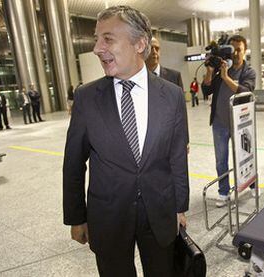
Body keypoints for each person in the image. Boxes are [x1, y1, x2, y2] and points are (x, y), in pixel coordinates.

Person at [63, 5, 189, 277]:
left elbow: (177, 157)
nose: (97, 48)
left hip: (159, 212)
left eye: (107, 39)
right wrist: (76, 217)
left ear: (139, 43)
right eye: (97, 39)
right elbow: (73, 163)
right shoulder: (86, 98)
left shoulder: (173, 96)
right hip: (108, 216)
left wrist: (180, 207)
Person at [203, 34, 256, 207]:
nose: (235, 54)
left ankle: (252, 184)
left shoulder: (249, 71)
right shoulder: (221, 68)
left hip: (241, 122)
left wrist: (226, 77)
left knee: (246, 154)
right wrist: (211, 72)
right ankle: (223, 192)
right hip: (219, 121)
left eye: (239, 50)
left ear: (244, 51)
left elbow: (244, 91)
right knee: (221, 159)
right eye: (232, 50)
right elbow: (206, 88)